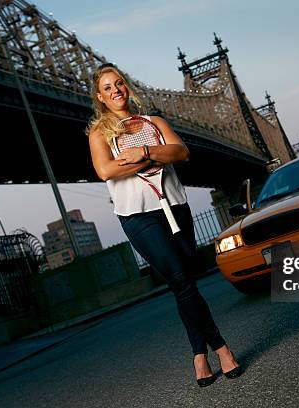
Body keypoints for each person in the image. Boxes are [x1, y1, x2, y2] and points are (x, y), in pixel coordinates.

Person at [86, 63, 243, 387]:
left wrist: (142, 151)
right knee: (181, 280)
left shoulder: (153, 122)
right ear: (100, 97)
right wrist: (158, 156)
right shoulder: (99, 133)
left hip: (176, 206)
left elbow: (181, 152)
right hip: (137, 216)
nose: (116, 90)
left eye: (119, 83)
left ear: (126, 86)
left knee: (184, 282)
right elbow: (106, 170)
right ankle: (222, 349)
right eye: (108, 87)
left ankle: (198, 355)